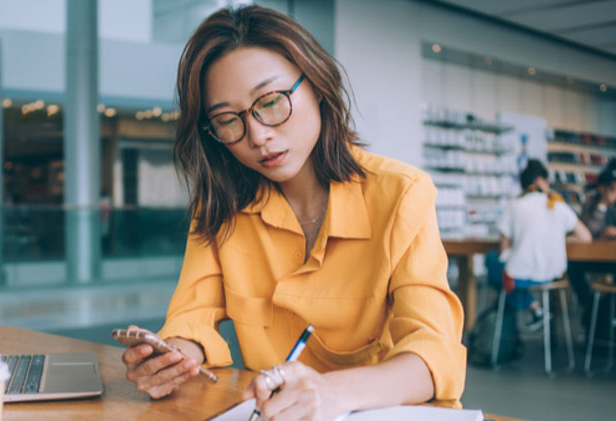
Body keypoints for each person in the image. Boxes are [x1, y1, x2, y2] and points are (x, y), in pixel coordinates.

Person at [120, 6, 465, 418]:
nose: (258, 135)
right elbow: (191, 319)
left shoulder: (401, 194)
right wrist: (173, 358)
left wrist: (331, 392)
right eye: (228, 121)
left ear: (317, 85)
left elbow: (434, 351)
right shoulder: (222, 210)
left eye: (270, 102)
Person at [495, 160, 591, 330]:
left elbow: (503, 248)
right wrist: (560, 239)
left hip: (520, 276)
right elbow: (585, 237)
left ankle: (534, 307)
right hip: (554, 273)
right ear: (541, 181)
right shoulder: (558, 204)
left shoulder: (514, 205)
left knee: (494, 267)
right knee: (504, 276)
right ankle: (535, 309)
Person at [568, 159, 616, 333]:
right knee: (571, 265)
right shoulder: (591, 204)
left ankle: (609, 315)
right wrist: (603, 205)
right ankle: (590, 306)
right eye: (611, 188)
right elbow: (587, 229)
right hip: (593, 257)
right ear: (601, 188)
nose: (615, 192)